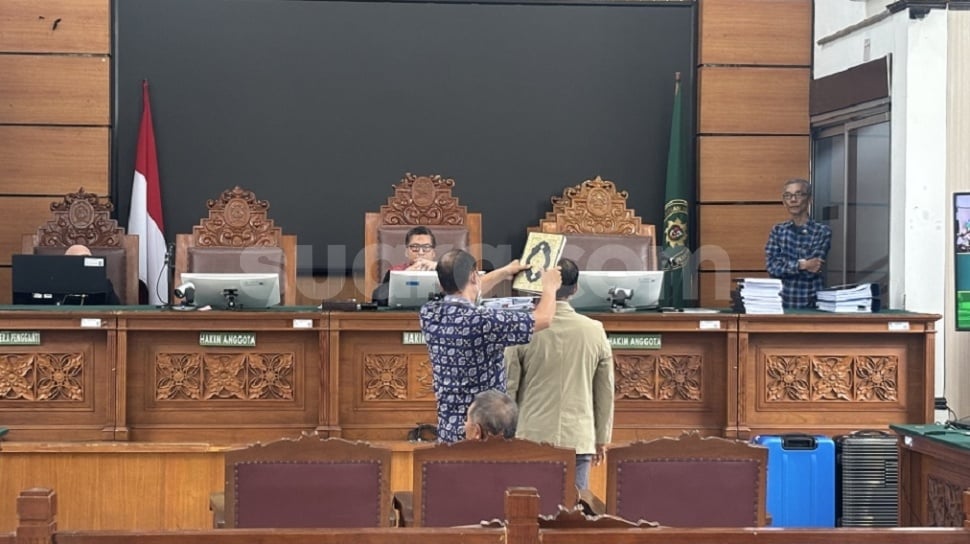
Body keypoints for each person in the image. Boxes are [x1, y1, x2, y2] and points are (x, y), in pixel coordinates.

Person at [419, 248, 561, 443]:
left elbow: (465, 290)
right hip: (485, 431)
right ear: (473, 276)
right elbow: (544, 318)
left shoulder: (429, 313)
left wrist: (504, 272)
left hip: (447, 430)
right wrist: (550, 287)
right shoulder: (485, 321)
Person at [505, 258, 614, 490]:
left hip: (531, 437)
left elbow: (509, 387)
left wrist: (505, 436)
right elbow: (605, 392)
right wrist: (601, 438)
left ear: (541, 285)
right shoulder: (595, 331)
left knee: (529, 507)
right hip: (578, 438)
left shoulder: (525, 329)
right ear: (576, 288)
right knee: (575, 508)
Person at [765, 178, 832, 309]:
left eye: (799, 194)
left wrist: (787, 267)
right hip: (780, 303)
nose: (793, 200)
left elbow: (813, 270)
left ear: (809, 199)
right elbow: (772, 268)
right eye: (788, 195)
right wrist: (803, 264)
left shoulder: (822, 231)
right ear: (784, 202)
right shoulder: (777, 230)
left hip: (811, 303)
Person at [372, 225, 438, 304]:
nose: (420, 252)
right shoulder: (395, 272)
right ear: (406, 252)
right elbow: (378, 298)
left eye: (426, 247)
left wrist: (440, 270)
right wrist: (404, 276)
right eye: (415, 247)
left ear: (433, 253)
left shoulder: (443, 271)